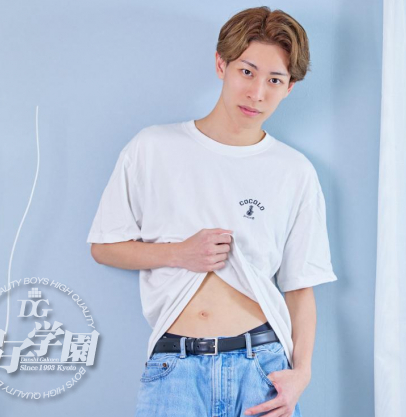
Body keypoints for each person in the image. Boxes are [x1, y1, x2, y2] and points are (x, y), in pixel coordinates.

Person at [86, 6, 338, 417]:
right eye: (247, 72)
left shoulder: (293, 171)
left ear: (289, 87)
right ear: (222, 64)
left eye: (275, 80)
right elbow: (103, 246)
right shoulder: (153, 148)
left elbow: (300, 284)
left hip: (263, 368)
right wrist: (178, 253)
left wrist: (302, 373)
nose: (257, 93)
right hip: (175, 368)